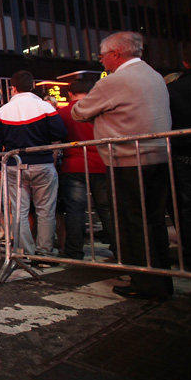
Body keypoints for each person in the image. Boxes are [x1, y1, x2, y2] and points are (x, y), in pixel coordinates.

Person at [72, 32, 172, 300]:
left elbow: (79, 111)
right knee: (154, 221)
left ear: (116, 53)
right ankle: (163, 280)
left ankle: (145, 282)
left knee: (132, 222)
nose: (101, 60)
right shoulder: (154, 75)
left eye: (102, 55)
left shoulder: (114, 82)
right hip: (159, 157)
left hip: (127, 160)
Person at [0, 70, 67, 258]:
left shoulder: (3, 110)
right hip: (42, 162)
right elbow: (60, 133)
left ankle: (26, 252)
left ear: (13, 88)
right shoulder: (44, 107)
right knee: (45, 211)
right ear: (33, 86)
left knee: (19, 211)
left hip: (14, 166)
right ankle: (45, 252)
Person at [57, 79, 116, 260]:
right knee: (106, 209)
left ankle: (74, 251)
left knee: (75, 210)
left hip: (73, 164)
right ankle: (120, 249)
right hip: (101, 162)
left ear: (70, 93)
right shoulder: (101, 110)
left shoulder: (64, 112)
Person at [169, 44, 191, 271]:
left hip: (185, 155)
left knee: (188, 209)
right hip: (183, 155)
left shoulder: (176, 89)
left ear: (185, 62)